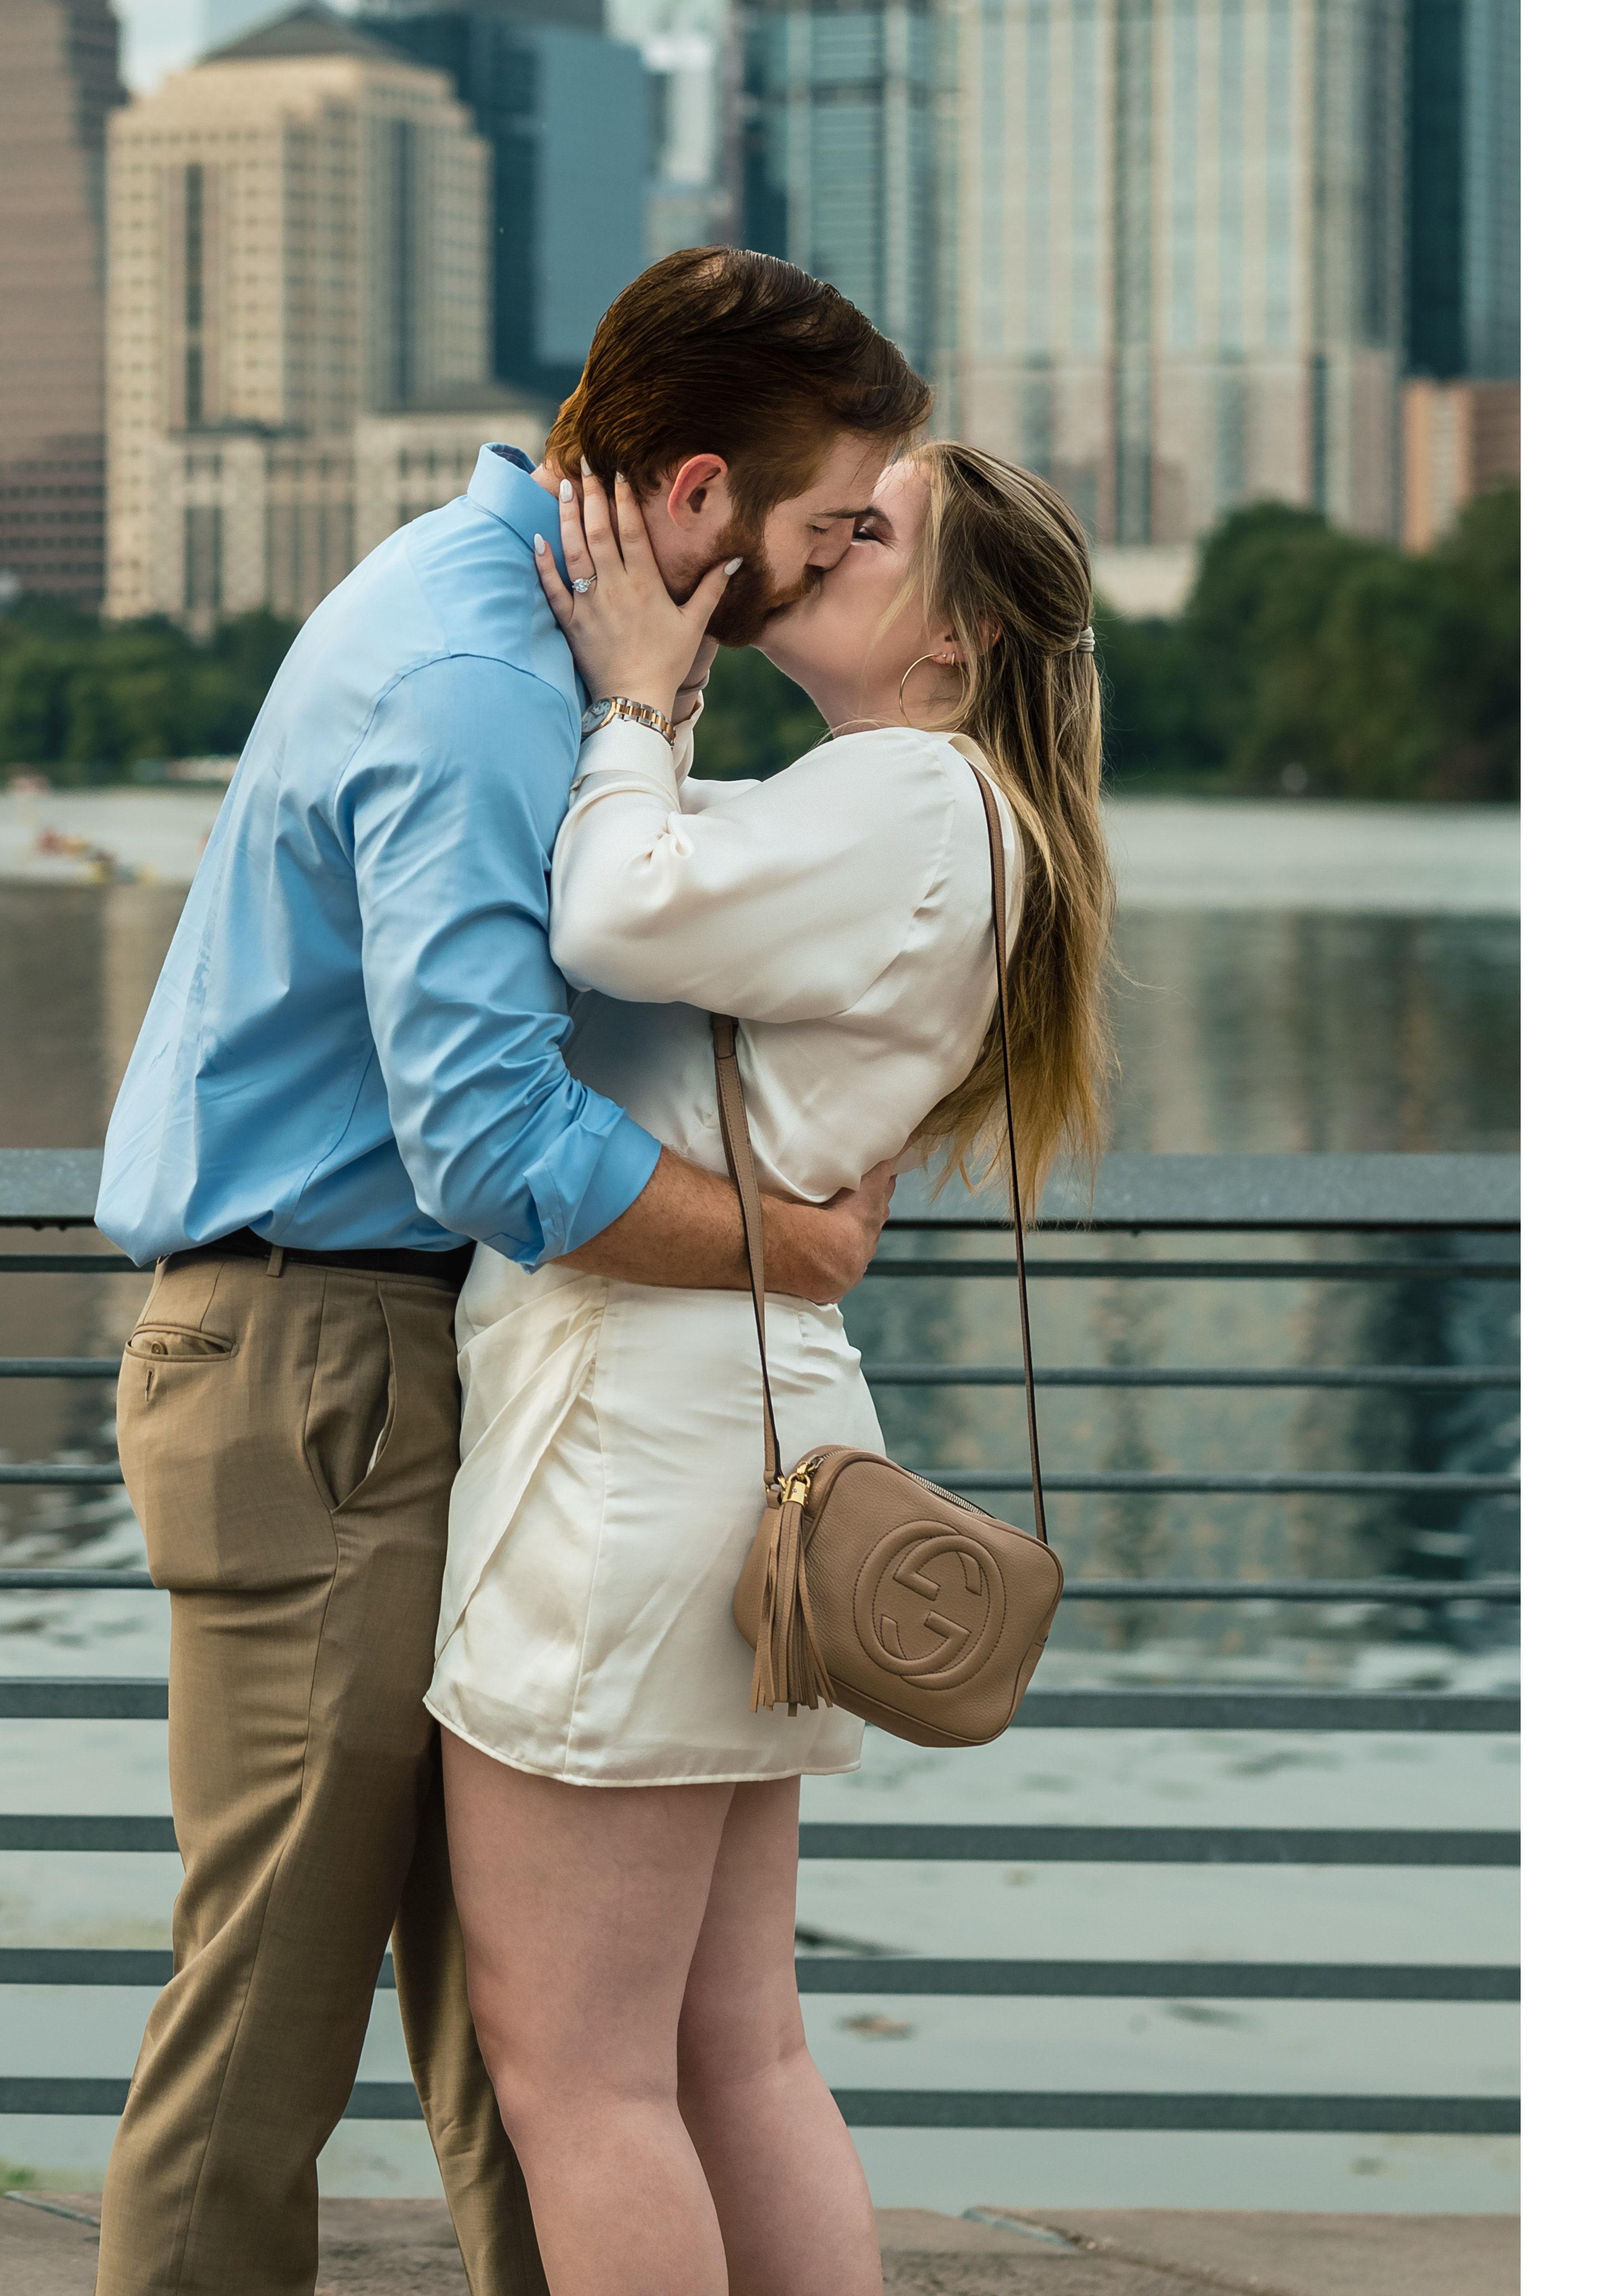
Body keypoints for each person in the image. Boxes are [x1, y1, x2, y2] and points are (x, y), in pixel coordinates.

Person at [90, 248, 931, 2296]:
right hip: (320, 1358)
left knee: (540, 2050)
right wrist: (794, 1244)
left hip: (423, 1358)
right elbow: (484, 1132)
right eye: (825, 528)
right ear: (705, 495)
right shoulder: (472, 665)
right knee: (270, 2042)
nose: (832, 571)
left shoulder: (539, 636)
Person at [429, 438, 1116, 2296]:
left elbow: (611, 911)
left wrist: (639, 691)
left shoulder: (905, 793)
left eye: (869, 530)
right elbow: (677, 871)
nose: (824, 533)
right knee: (738, 2052)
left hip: (641, 1442)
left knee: (577, 2074)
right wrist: (657, 701)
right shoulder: (933, 811)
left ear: (956, 639)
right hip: (748, 1430)